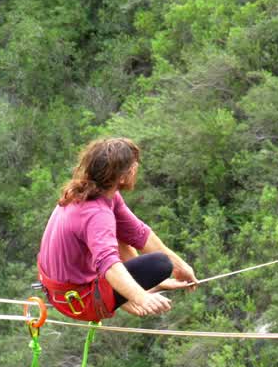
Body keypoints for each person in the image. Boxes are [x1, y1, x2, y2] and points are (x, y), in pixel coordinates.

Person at [36, 137, 197, 321]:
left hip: (59, 289)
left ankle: (131, 288)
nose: (136, 169)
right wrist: (140, 297)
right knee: (160, 264)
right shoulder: (97, 214)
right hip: (79, 302)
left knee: (123, 235)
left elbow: (139, 234)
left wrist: (182, 267)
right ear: (121, 177)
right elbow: (109, 265)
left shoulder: (89, 192)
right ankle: (129, 290)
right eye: (133, 167)